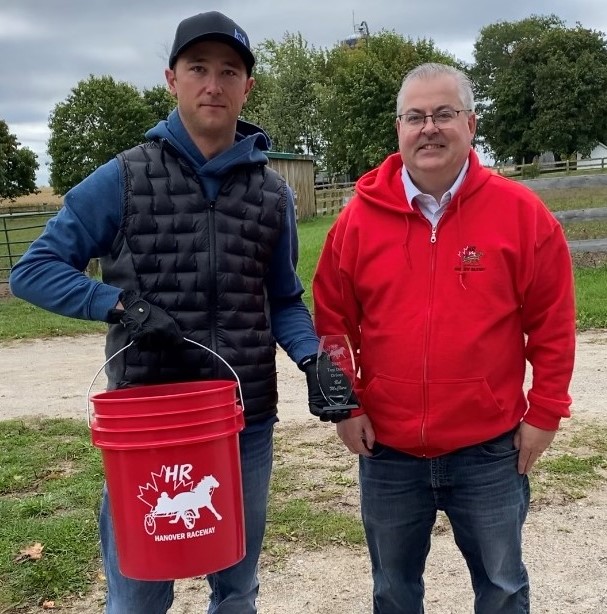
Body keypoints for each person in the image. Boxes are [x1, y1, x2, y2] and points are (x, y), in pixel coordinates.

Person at [9, 10, 344, 614]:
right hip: (149, 422)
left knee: (237, 591)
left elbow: (285, 299)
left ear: (248, 87)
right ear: (172, 79)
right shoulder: (123, 179)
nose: (212, 84)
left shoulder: (272, 194)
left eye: (228, 71)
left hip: (243, 421)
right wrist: (118, 304)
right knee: (138, 593)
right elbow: (32, 271)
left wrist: (311, 357)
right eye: (198, 69)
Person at [312, 62, 576, 614]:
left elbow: (552, 321)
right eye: (415, 117)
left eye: (444, 114)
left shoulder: (523, 215)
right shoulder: (357, 220)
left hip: (488, 450)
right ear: (399, 128)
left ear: (472, 124)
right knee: (392, 590)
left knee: (502, 589)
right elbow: (333, 319)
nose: (429, 128)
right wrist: (345, 403)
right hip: (386, 450)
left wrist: (545, 412)